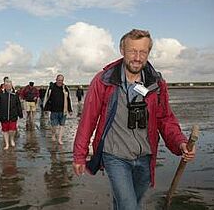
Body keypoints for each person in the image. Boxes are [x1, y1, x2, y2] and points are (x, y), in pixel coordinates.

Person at [72, 29, 196, 210]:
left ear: (148, 53)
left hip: (145, 157)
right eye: (132, 51)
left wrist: (180, 143)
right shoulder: (104, 81)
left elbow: (165, 118)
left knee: (129, 203)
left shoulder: (156, 83)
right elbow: (88, 119)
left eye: (143, 52)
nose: (137, 57)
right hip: (115, 157)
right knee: (130, 206)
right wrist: (79, 155)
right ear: (122, 50)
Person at [0, 80, 23, 150]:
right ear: (5, 86)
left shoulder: (15, 94)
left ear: (11, 86)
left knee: (12, 130)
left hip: (13, 115)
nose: (8, 87)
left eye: (9, 85)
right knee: (5, 130)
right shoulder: (1, 94)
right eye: (6, 85)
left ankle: (12, 139)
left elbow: (18, 105)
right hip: (3, 115)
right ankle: (7, 144)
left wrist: (20, 114)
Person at [43, 74, 72, 145]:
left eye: (61, 80)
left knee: (62, 125)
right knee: (54, 126)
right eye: (59, 80)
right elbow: (47, 98)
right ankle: (53, 135)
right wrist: (45, 109)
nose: (60, 82)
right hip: (54, 110)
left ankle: (59, 139)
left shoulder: (65, 88)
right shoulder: (51, 87)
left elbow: (68, 99)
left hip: (63, 110)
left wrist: (70, 110)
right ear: (56, 80)